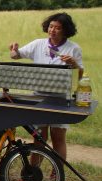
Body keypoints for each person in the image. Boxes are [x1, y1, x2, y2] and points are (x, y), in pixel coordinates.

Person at [9, 12, 83, 164]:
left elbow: (80, 76)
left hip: (60, 98)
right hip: (39, 97)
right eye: (51, 26)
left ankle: (56, 175)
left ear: (65, 30)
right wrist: (14, 50)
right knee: (39, 138)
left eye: (57, 28)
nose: (52, 30)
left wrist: (74, 65)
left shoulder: (73, 48)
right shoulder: (38, 44)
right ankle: (34, 171)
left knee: (58, 138)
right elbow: (16, 55)